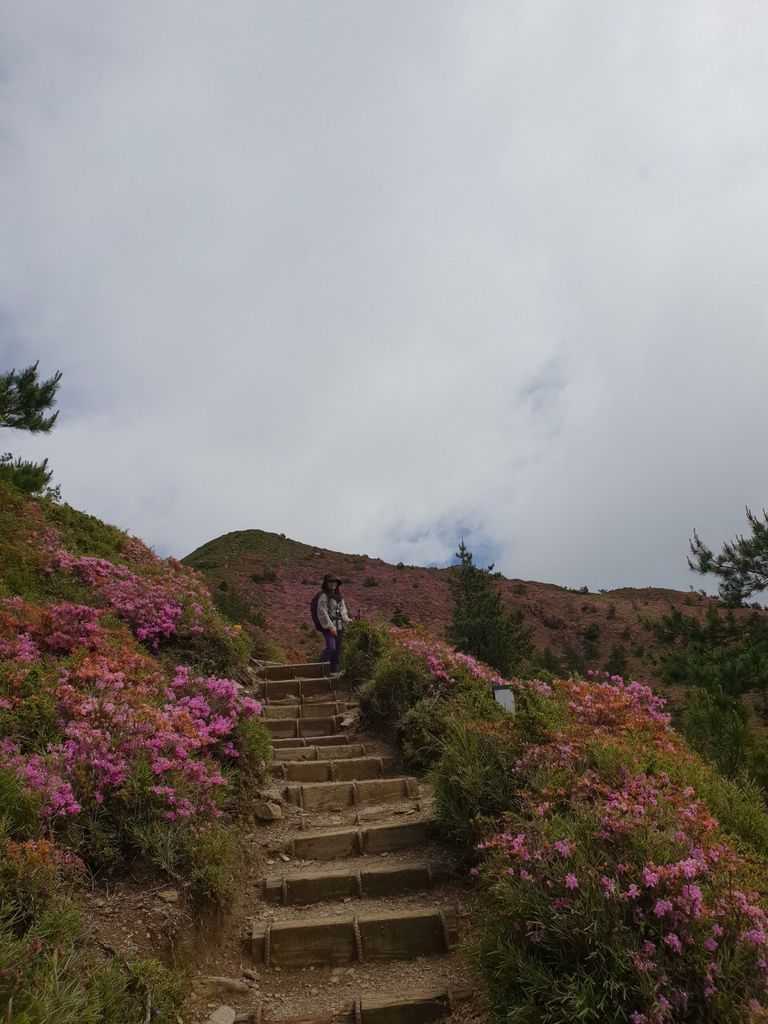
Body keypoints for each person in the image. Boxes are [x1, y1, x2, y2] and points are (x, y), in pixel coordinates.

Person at [316, 573, 349, 673]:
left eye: (334, 581)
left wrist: (349, 622)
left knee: (337, 651)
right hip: (329, 627)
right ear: (326, 584)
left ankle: (333, 672)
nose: (332, 584)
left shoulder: (339, 597)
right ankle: (318, 666)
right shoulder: (323, 597)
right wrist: (331, 627)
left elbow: (344, 612)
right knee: (331, 648)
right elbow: (323, 613)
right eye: (330, 582)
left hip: (340, 627)